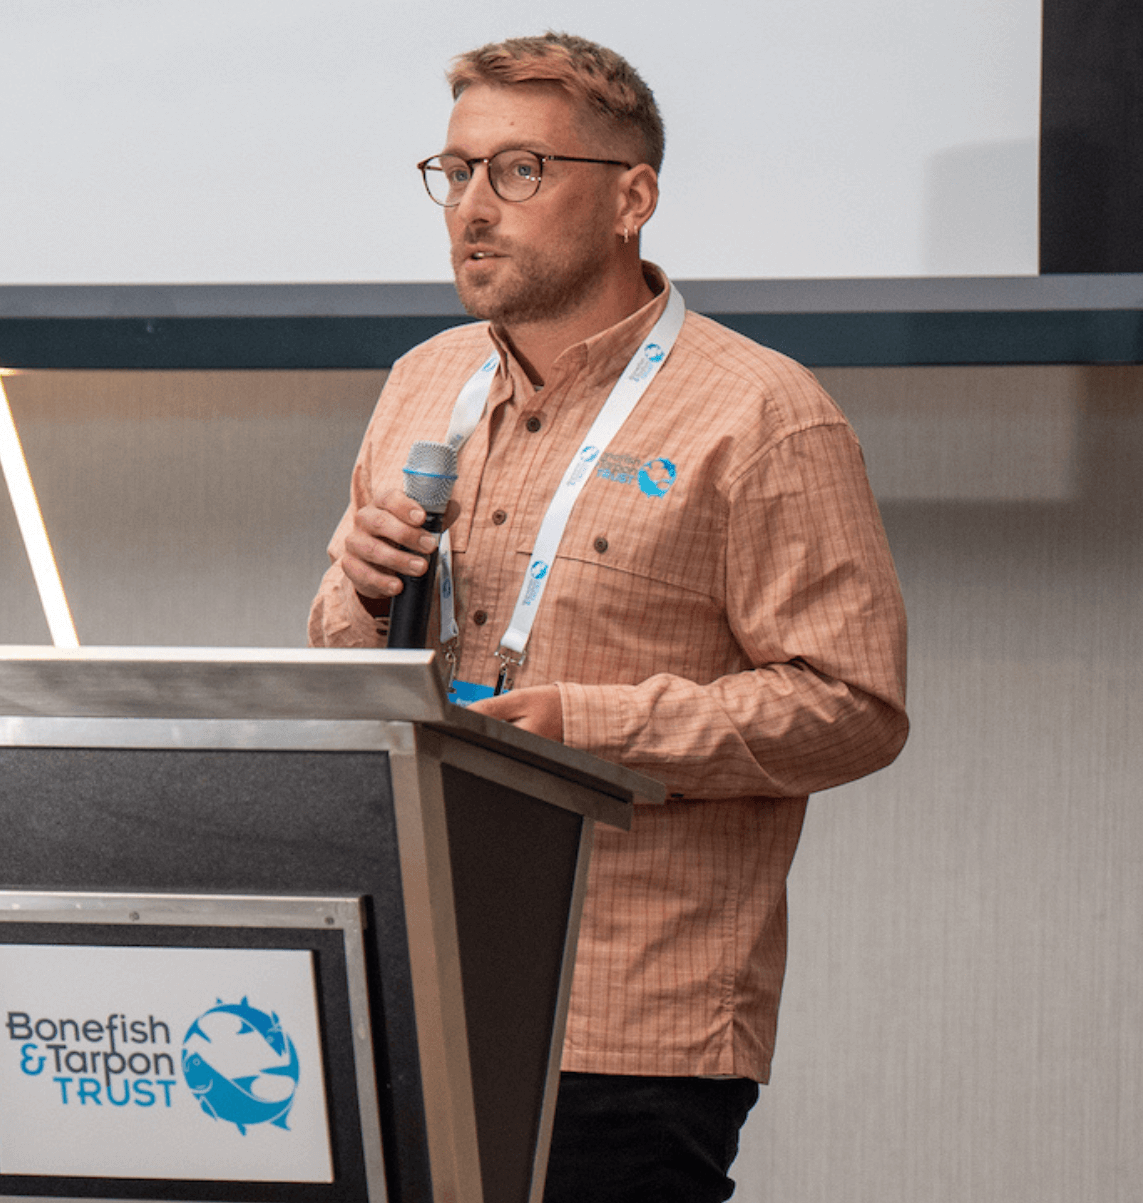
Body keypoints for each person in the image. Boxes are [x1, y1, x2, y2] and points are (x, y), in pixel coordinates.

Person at [308, 31, 909, 1203]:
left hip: (629, 1017)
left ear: (630, 196)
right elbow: (354, 663)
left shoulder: (763, 417)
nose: (473, 207)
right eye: (455, 171)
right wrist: (360, 592)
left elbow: (853, 705)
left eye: (519, 170)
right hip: (412, 982)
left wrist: (584, 728)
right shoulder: (422, 382)